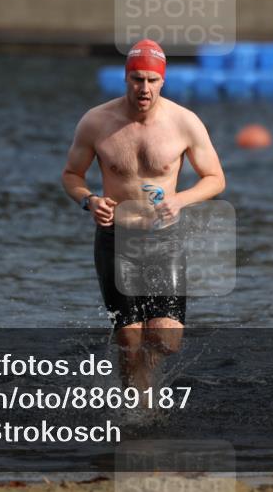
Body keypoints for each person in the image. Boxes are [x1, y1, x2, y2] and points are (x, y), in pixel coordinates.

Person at [62, 40, 226, 389]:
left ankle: (144, 379)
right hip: (115, 239)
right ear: (126, 78)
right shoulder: (96, 121)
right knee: (129, 342)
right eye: (138, 79)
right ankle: (137, 406)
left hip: (164, 239)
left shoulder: (184, 122)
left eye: (152, 80)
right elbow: (71, 175)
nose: (144, 88)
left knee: (166, 341)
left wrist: (181, 199)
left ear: (163, 81)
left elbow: (215, 179)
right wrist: (89, 200)